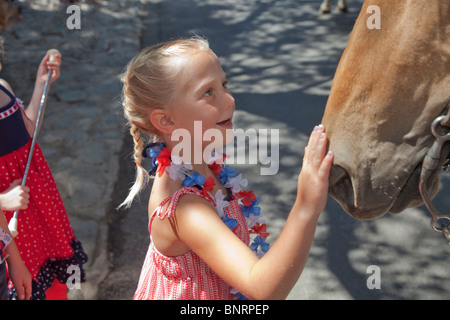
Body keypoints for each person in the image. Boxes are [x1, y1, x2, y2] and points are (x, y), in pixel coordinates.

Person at [120, 37, 334, 300]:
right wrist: (306, 207)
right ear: (165, 119)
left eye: (224, 85)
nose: (230, 100)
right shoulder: (184, 208)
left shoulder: (203, 168)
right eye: (208, 92)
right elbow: (261, 289)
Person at [0, 50, 88, 299]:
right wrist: (2, 200)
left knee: (51, 280)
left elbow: (28, 131)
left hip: (35, 208)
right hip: (7, 222)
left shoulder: (3, 87)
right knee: (23, 284)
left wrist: (42, 84)